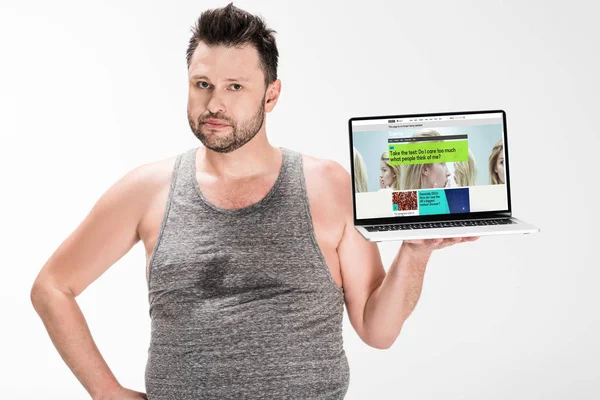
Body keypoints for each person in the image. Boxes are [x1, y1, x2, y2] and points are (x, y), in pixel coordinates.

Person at [30, 4, 478, 399]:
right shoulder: (147, 190)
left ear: (271, 95)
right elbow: (52, 287)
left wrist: (415, 252)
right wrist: (106, 392)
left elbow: (377, 330)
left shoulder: (329, 185)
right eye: (202, 83)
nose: (215, 103)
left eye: (235, 87)